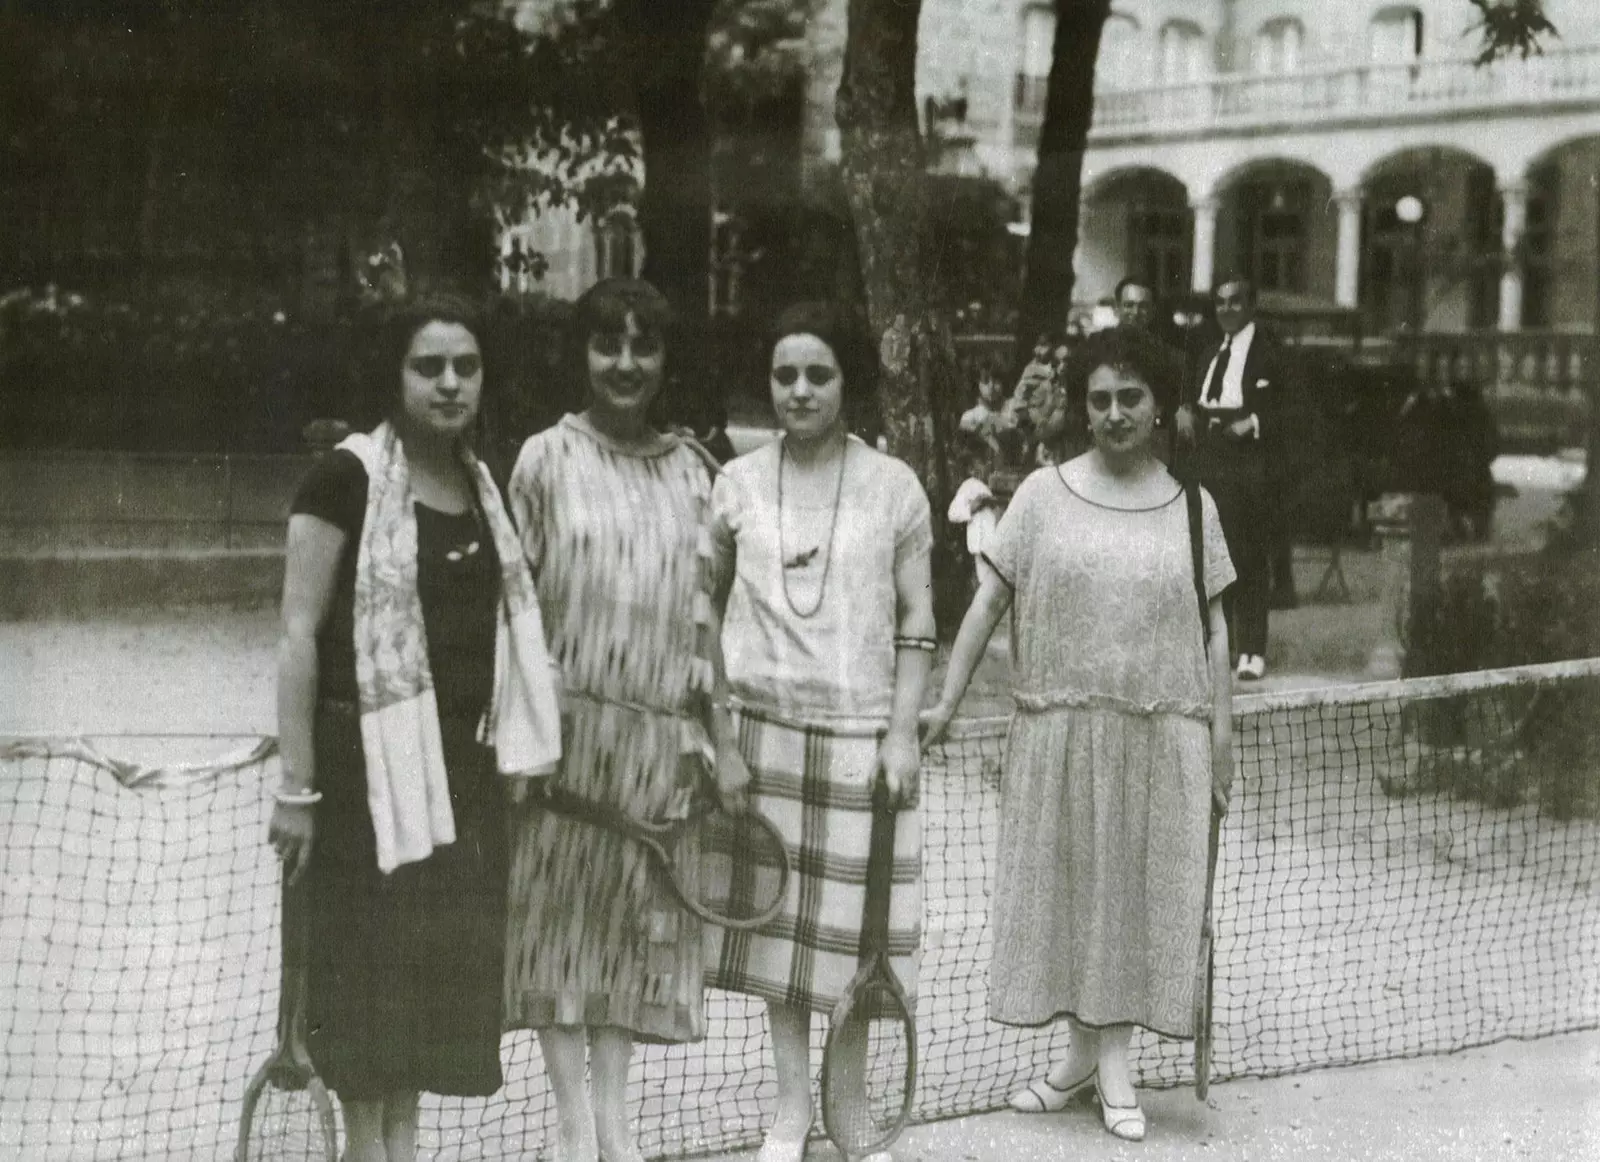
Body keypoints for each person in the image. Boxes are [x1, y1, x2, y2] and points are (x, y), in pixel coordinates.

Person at [268, 291, 562, 1162]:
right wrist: (296, 789)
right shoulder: (343, 479)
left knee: (420, 1034)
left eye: (465, 367)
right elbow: (295, 636)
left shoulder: (483, 484)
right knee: (365, 1038)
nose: (448, 383)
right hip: (364, 797)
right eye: (427, 366)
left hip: (461, 799)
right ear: (394, 377)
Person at [923, 326, 1235, 1144]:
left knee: (1131, 898)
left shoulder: (1193, 508)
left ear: (1159, 404)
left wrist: (1223, 741)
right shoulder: (1039, 495)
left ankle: (1115, 1066)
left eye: (1130, 397)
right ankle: (1076, 1060)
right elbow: (987, 604)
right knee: (1071, 900)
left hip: (1161, 737)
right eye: (1099, 398)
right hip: (1058, 736)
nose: (1114, 413)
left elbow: (1216, 633)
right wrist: (945, 702)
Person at [503, 277, 750, 1162]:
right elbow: (514, 609)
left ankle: (617, 1128)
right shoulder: (542, 459)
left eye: (644, 346)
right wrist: (523, 732)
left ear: (665, 359)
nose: (626, 363)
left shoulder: (698, 471)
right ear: (582, 354)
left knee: (628, 935)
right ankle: (572, 1129)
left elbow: (710, 620)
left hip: (659, 745)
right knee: (557, 933)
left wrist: (721, 742)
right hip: (565, 744)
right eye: (609, 344)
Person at [706, 302, 936, 1162]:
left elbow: (918, 621)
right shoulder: (734, 485)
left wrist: (902, 733)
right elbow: (701, 618)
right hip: (763, 740)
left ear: (849, 383)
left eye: (819, 375)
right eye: (785, 375)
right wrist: (720, 738)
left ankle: (849, 1110)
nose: (799, 391)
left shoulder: (894, 487)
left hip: (862, 742)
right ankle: (791, 1110)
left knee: (852, 943)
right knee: (780, 948)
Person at [1173, 274, 1290, 681]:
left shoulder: (1271, 351)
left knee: (1249, 554)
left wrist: (1254, 422)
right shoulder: (1208, 353)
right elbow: (1197, 398)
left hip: (1249, 460)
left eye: (1235, 302)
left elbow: (1295, 409)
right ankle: (1214, 645)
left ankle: (1252, 649)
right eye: (1220, 303)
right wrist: (1186, 411)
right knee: (1205, 552)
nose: (1226, 310)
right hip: (1208, 456)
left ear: (1251, 305)